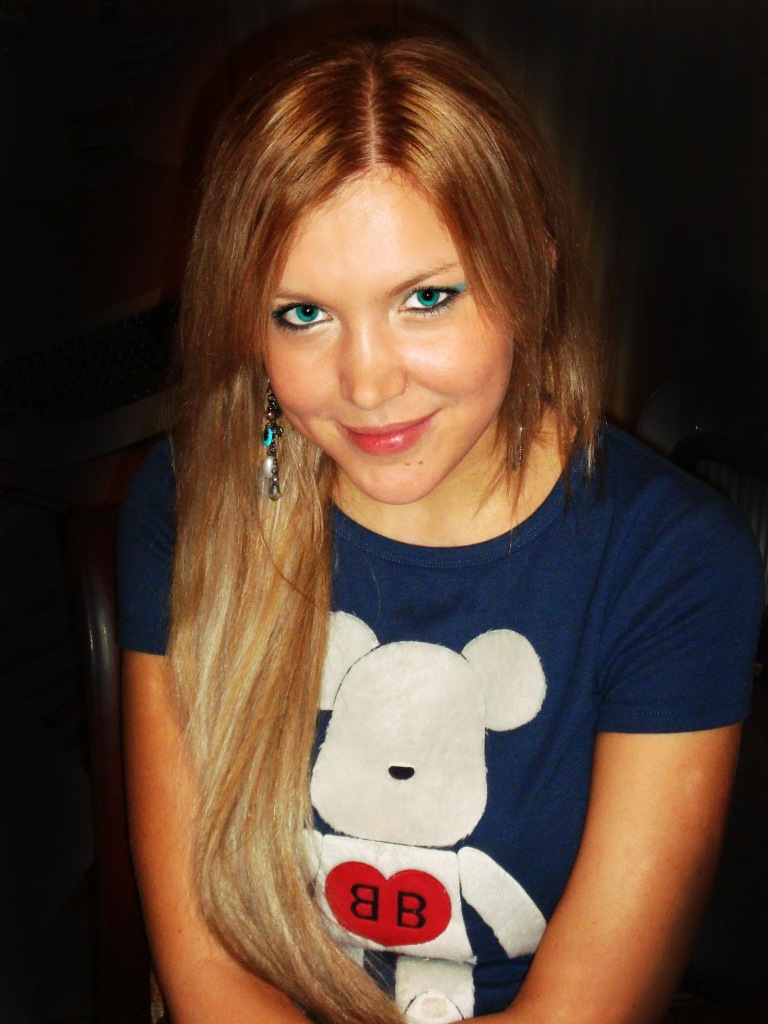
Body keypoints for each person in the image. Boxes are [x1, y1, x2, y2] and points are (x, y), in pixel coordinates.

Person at [117, 24, 764, 1024]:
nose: (368, 383)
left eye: (426, 298)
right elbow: (205, 966)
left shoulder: (672, 563)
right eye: (303, 314)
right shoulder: (190, 504)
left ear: (531, 272)